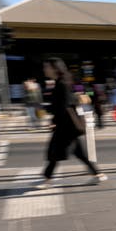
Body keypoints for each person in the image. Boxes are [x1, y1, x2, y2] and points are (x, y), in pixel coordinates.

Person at [36, 57, 107, 189]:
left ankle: (47, 179)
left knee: (54, 152)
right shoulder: (61, 82)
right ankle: (98, 174)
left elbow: (63, 106)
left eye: (47, 67)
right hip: (68, 125)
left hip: (65, 125)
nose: (44, 69)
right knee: (78, 152)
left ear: (54, 68)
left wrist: (54, 121)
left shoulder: (61, 83)